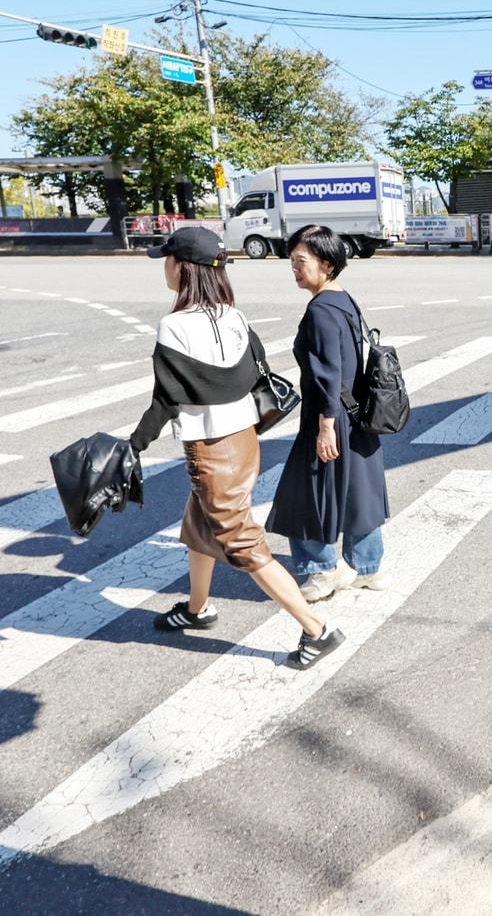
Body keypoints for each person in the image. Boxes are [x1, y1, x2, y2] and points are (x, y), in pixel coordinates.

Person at [128, 226, 345, 671]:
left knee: (244, 544)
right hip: (245, 441)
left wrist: (132, 447)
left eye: (168, 260)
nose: (164, 268)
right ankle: (197, 608)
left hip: (211, 451)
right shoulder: (234, 317)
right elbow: (248, 378)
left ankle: (317, 630)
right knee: (200, 526)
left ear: (183, 269)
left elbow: (167, 399)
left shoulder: (174, 325)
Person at [267, 224, 390, 601]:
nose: (294, 268)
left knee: (304, 496)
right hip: (356, 416)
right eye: (292, 261)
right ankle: (369, 569)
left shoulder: (320, 310)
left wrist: (324, 428)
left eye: (300, 261)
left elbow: (327, 372)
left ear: (326, 262)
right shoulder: (343, 299)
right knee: (358, 493)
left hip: (330, 418)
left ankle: (321, 573)